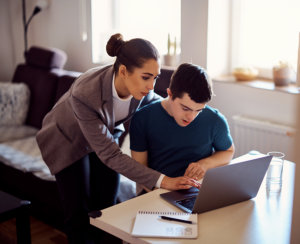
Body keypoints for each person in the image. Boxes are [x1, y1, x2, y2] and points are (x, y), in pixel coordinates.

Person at [36, 34, 199, 244]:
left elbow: (163, 105)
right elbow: (111, 155)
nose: (151, 86)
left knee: (109, 206)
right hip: (66, 139)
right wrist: (163, 181)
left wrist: (191, 113)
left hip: (103, 134)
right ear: (123, 71)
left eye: (155, 78)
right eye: (146, 77)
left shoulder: (141, 89)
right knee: (78, 213)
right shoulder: (84, 93)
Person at [130, 63, 235, 194]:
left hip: (198, 192)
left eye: (199, 110)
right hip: (156, 192)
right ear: (170, 94)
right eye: (185, 108)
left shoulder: (215, 120)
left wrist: (204, 164)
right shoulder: (142, 118)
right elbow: (139, 172)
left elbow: (228, 152)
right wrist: (162, 191)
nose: (191, 117)